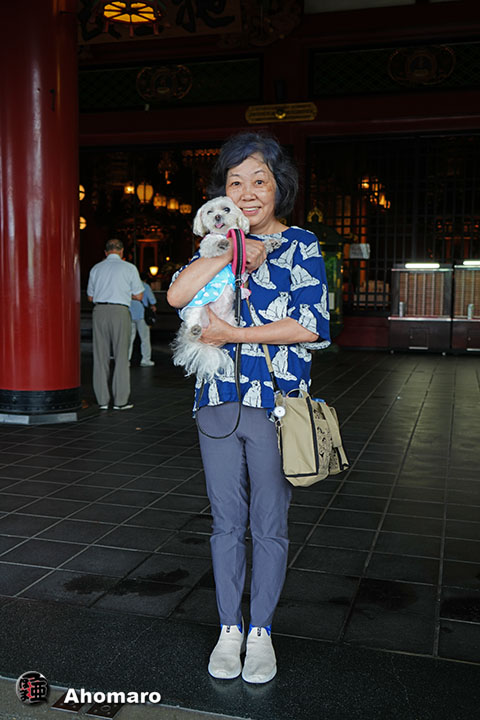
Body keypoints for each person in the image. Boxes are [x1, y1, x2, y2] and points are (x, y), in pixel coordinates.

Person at [167, 132, 331, 684]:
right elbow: (176, 295)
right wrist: (228, 253)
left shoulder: (301, 244)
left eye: (259, 181)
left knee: (269, 524)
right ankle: (228, 629)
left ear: (279, 187)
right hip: (217, 399)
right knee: (224, 522)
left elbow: (309, 326)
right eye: (235, 182)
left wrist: (232, 334)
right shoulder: (216, 241)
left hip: (275, 403)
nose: (247, 192)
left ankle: (260, 629)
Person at [87, 238, 144, 410]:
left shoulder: (96, 268)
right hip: (120, 311)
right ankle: (120, 401)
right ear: (122, 251)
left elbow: (90, 297)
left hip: (99, 311)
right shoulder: (129, 268)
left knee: (100, 356)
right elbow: (139, 296)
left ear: (106, 252)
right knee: (121, 356)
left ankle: (102, 401)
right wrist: (124, 293)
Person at [129, 272, 157, 367]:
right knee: (145, 338)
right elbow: (152, 300)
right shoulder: (145, 286)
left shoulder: (129, 285)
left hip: (129, 314)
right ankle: (145, 359)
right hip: (142, 315)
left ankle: (126, 359)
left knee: (129, 339)